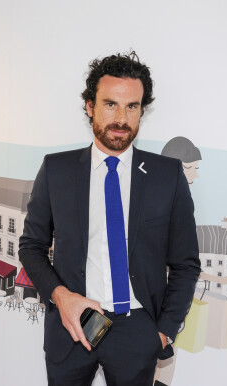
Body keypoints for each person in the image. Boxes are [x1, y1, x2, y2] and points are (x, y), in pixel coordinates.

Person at [18, 52, 201, 386]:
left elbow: (186, 264)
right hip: (72, 324)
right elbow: (31, 246)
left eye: (132, 106)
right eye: (110, 104)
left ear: (142, 109)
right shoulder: (56, 170)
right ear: (90, 107)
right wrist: (63, 297)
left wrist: (161, 333)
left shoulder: (167, 176)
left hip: (138, 332)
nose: (121, 118)